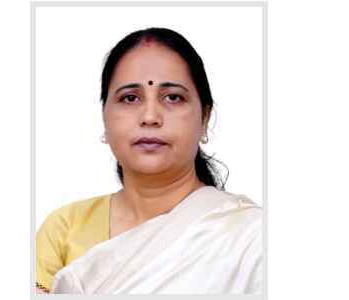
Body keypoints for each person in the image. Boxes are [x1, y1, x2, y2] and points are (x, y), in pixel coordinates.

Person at [36, 27, 262, 294]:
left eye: (173, 97)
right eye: (130, 98)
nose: (150, 116)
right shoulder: (65, 229)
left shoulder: (252, 237)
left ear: (205, 118)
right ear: (104, 118)